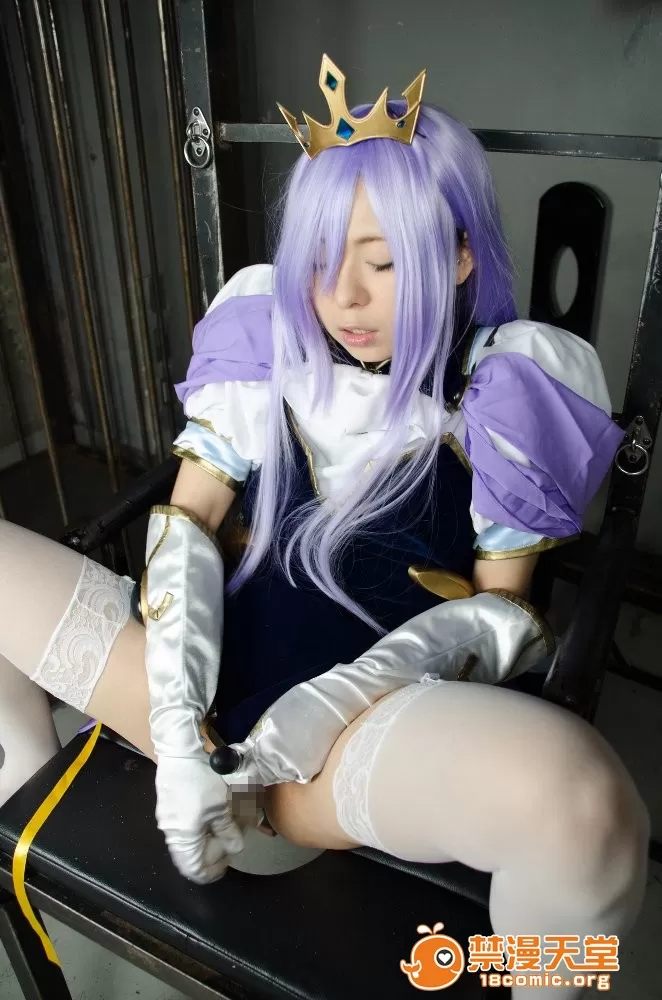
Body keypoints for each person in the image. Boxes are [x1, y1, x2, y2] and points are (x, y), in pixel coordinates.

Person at [0, 56, 649, 997]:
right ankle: (26, 803)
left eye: (383, 263)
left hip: (347, 747)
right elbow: (189, 520)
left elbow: (496, 622)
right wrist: (179, 740)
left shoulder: (504, 388)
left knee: (587, 811)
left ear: (461, 257)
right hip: (183, 693)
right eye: (319, 258)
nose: (342, 296)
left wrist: (309, 719)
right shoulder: (266, 337)